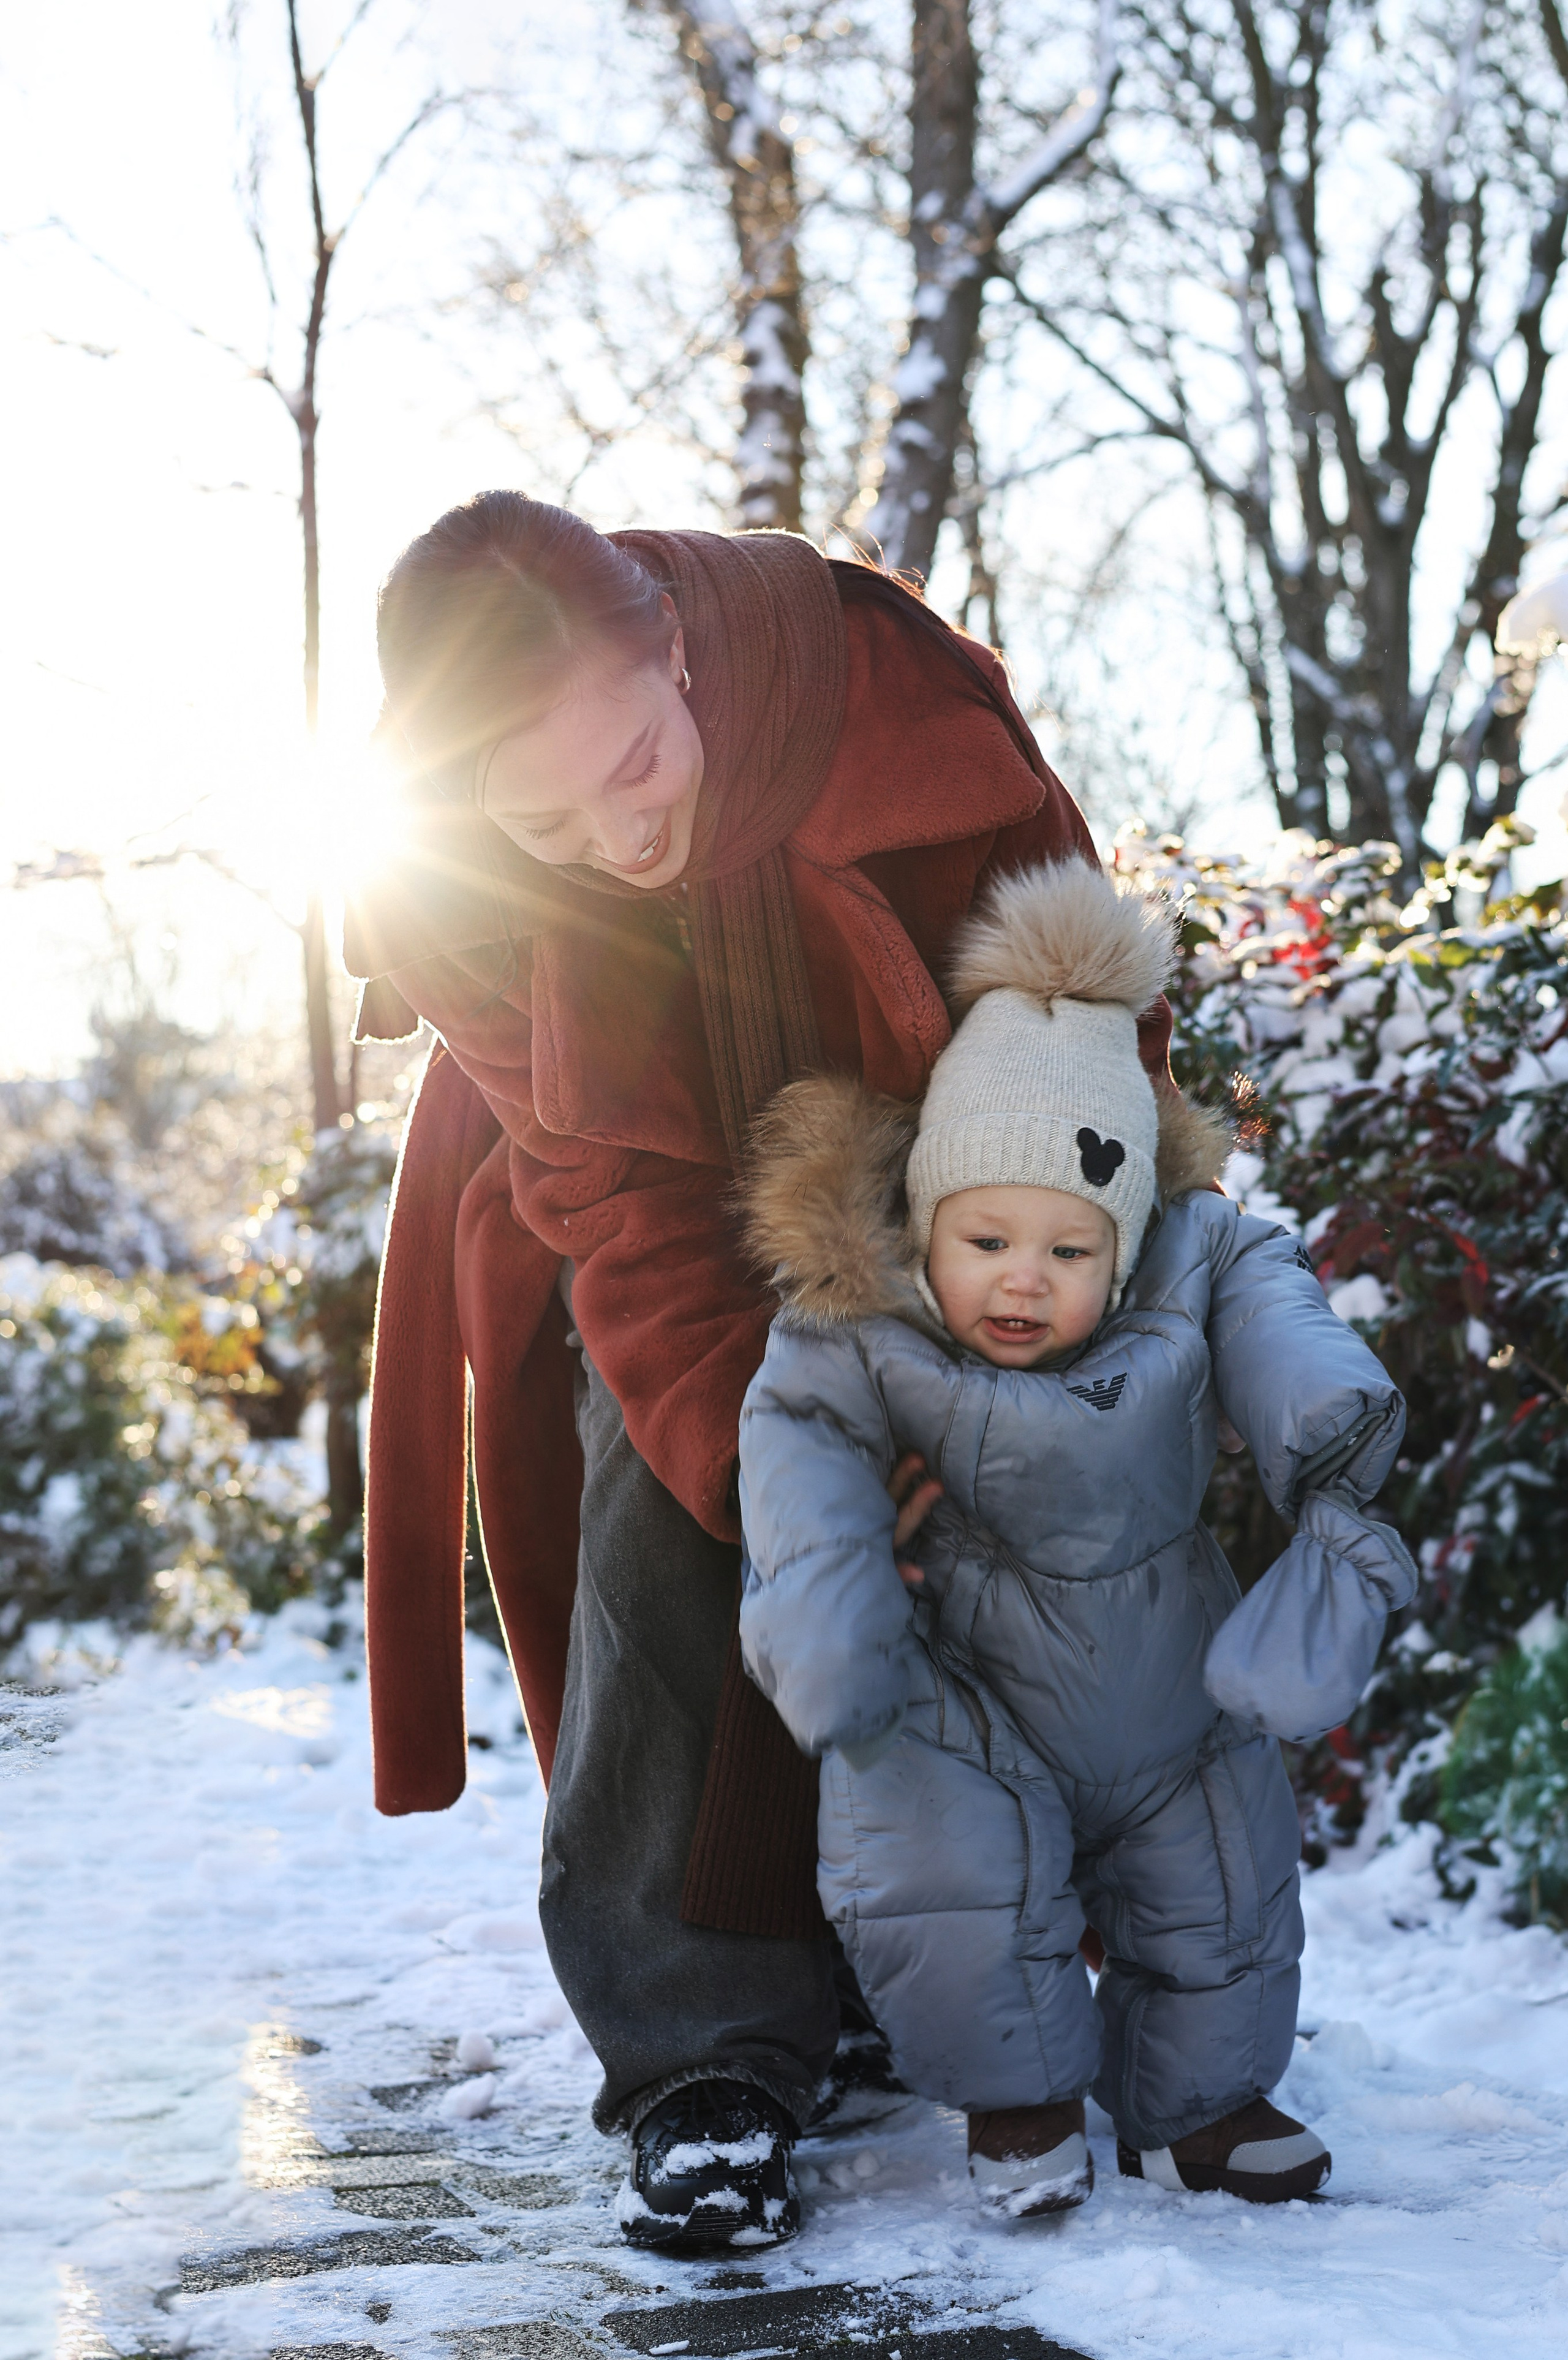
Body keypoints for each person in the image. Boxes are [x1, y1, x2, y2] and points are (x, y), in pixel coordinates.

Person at [346, 496, 1182, 2250]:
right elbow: (621, 1211)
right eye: (546, 816)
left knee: (1013, 1513)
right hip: (630, 1196)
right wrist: (763, 1467)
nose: (616, 834)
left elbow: (1075, 997)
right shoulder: (481, 895)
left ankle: (992, 1957)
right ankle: (698, 2056)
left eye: (636, 763)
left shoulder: (892, 697)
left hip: (959, 1149)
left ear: (670, 640)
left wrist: (1020, 1280)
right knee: (671, 1505)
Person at [736, 856, 1419, 2220]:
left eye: (1069, 1250)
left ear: (1127, 1244)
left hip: (1163, 1656)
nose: (1022, 1280)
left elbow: (1270, 1308)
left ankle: (1198, 2109)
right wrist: (828, 1610)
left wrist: (1330, 1449)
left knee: (1219, 1874)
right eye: (984, 1239)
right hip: (971, 1676)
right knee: (947, 1860)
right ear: (926, 1222)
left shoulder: (1192, 1264)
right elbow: (796, 1447)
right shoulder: (860, 1327)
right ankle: (1021, 2099)